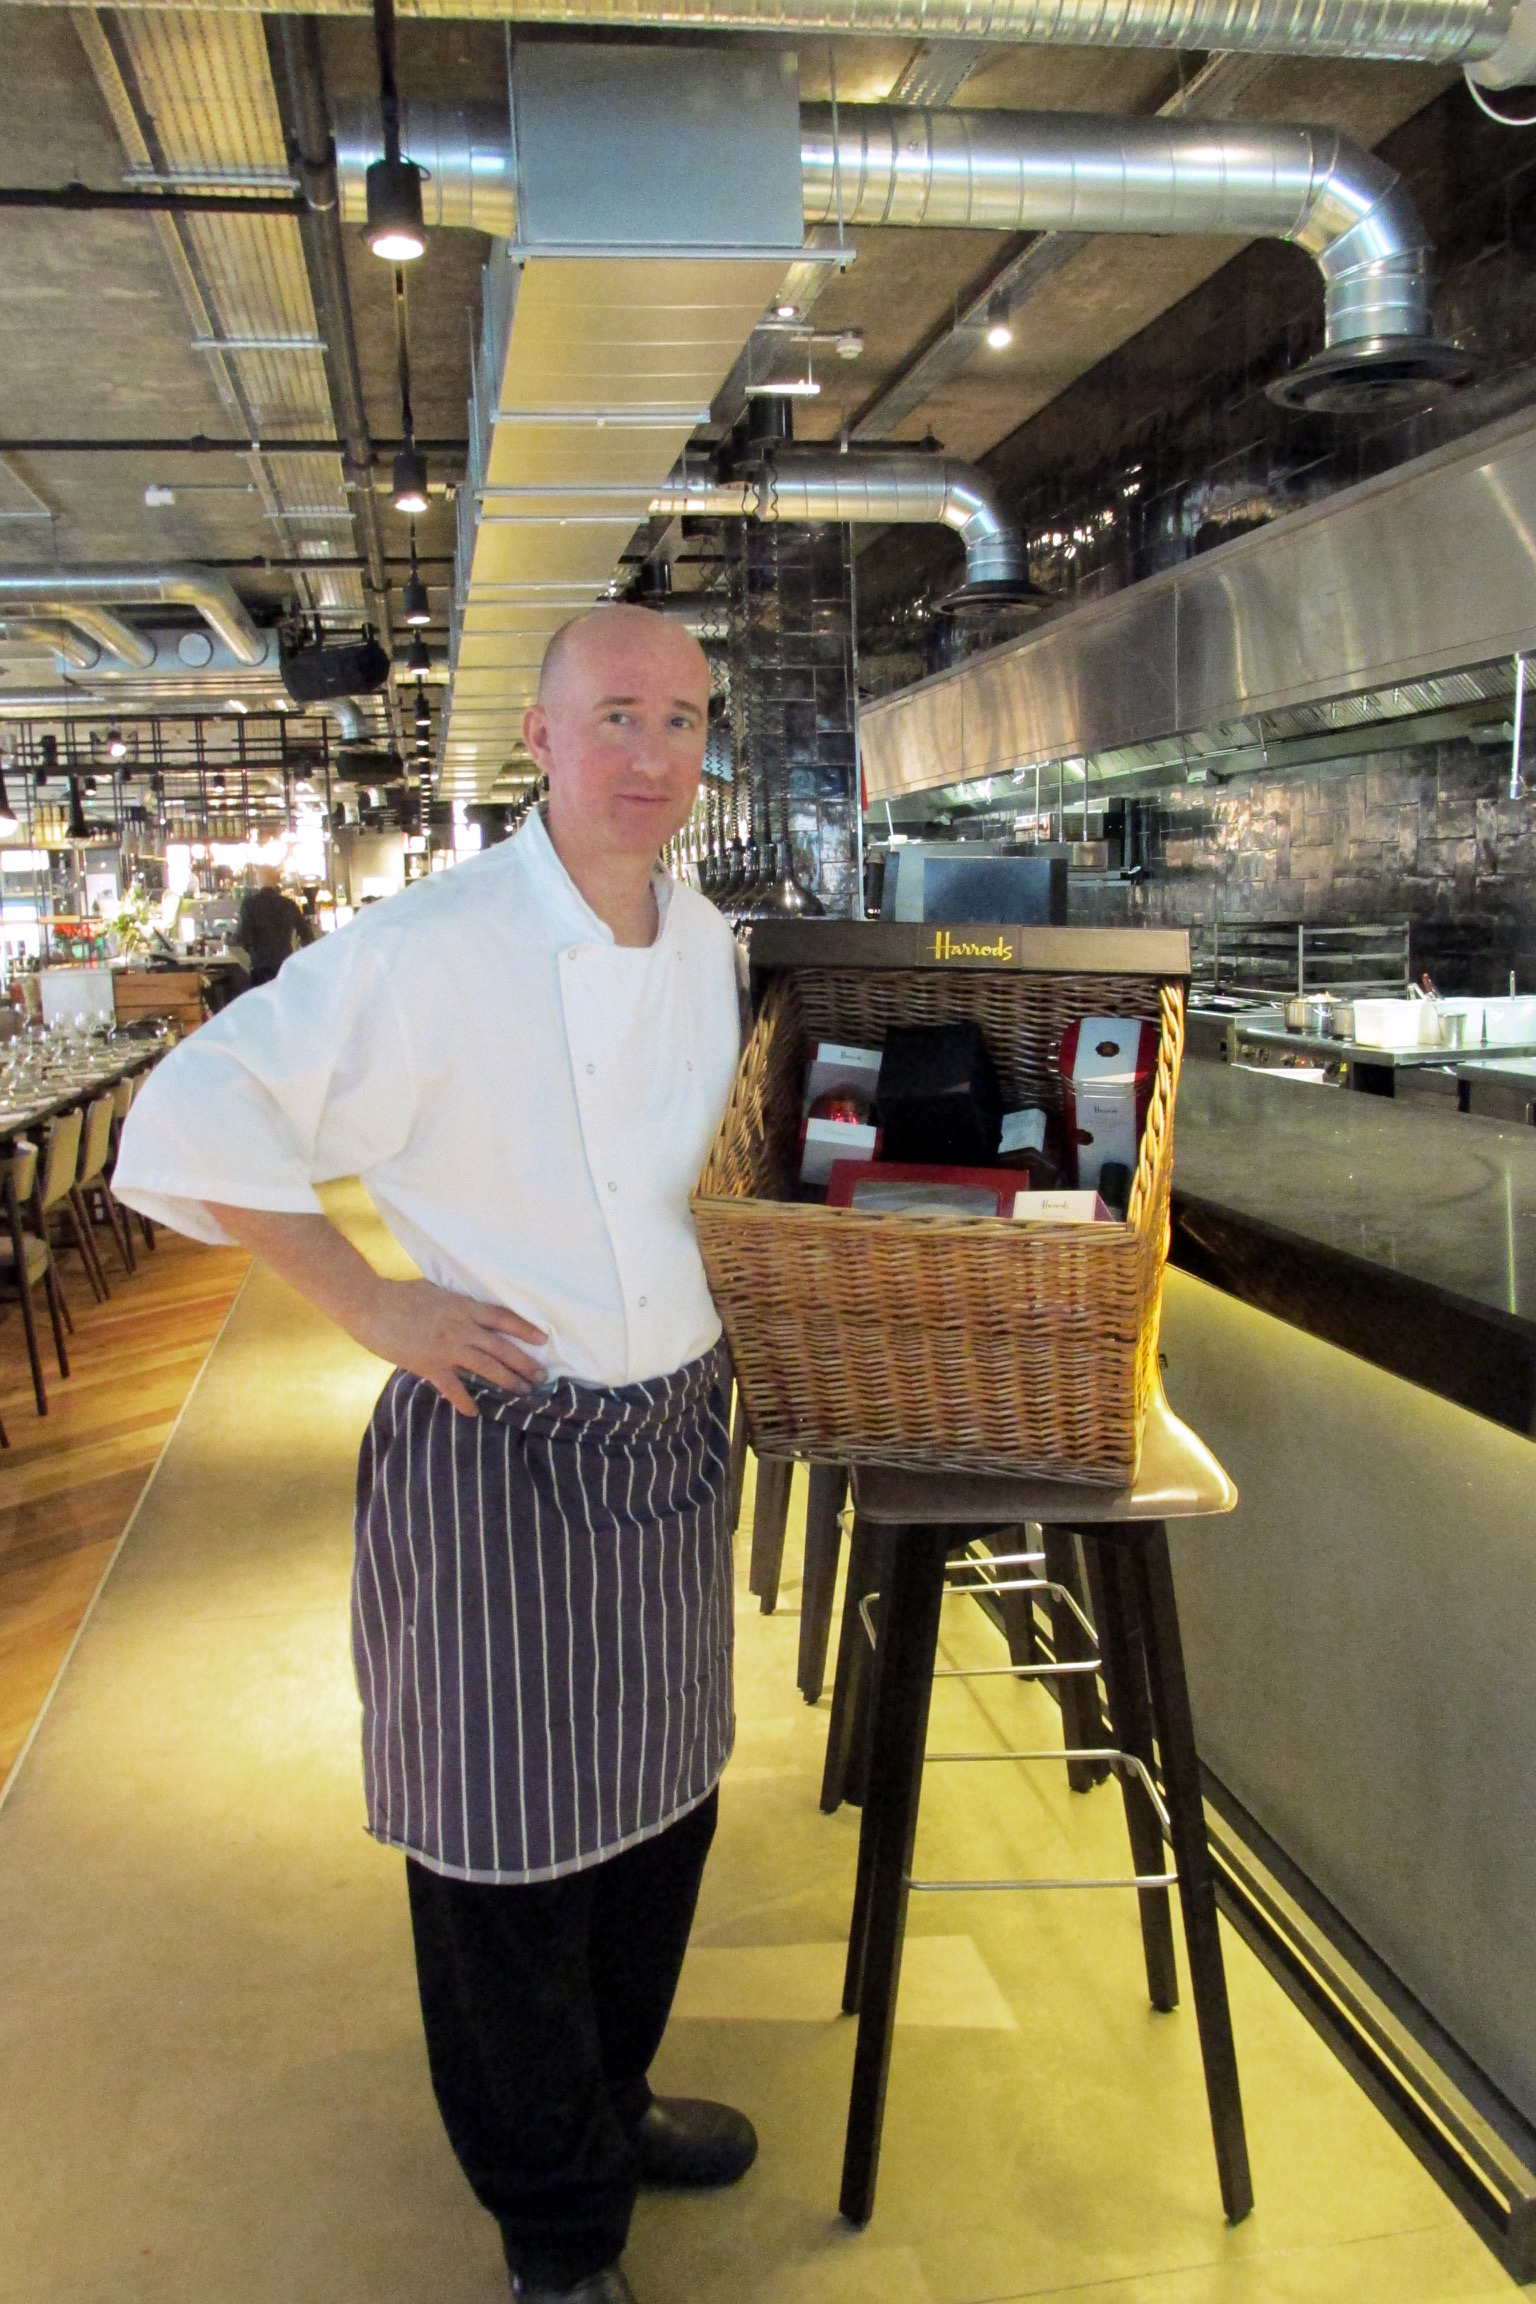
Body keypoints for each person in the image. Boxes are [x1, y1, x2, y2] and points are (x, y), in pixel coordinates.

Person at [114, 605, 751, 2304]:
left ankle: (610, 2098)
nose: (652, 753)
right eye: (615, 715)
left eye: (682, 719)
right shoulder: (434, 944)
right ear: (537, 738)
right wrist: (370, 1299)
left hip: (673, 1440)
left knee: (660, 1821)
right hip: (503, 1448)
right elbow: (188, 1112)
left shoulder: (706, 940)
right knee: (506, 1856)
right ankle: (556, 2230)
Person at [236, 864, 314, 987]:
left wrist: (227, 939)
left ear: (260, 879)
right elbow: (307, 936)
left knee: (262, 999)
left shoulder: (249, 904)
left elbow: (241, 937)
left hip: (260, 967)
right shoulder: (288, 904)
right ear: (275, 880)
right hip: (284, 966)